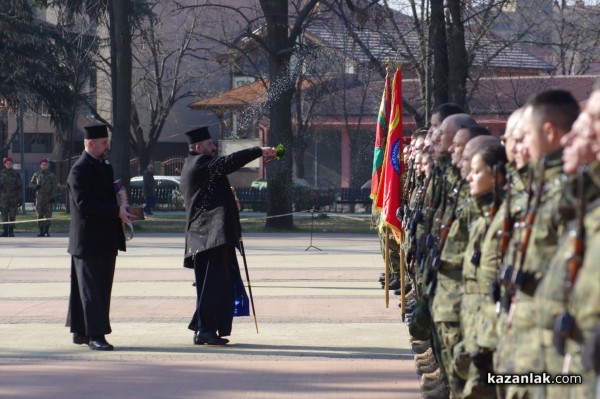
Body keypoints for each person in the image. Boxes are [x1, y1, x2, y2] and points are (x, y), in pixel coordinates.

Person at [180, 126, 275, 346]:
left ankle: (205, 328)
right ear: (198, 147)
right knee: (213, 285)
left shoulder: (194, 165)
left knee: (214, 285)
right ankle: (204, 329)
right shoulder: (200, 164)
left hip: (208, 237)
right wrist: (259, 150)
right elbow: (228, 162)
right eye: (210, 145)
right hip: (209, 237)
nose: (214, 148)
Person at [65, 123, 136, 351]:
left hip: (104, 239)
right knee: (92, 290)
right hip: (87, 241)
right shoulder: (79, 170)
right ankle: (96, 334)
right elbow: (84, 204)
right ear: (90, 143)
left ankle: (81, 332)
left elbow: (108, 199)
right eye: (104, 143)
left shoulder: (104, 167)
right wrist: (116, 211)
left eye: (108, 141)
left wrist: (122, 210)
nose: (108, 146)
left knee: (96, 288)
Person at [29, 158, 58, 237]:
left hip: (49, 197)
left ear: (48, 165)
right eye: (42, 165)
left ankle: (47, 231)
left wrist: (53, 197)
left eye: (45, 164)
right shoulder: (37, 174)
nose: (44, 166)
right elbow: (31, 184)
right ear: (40, 166)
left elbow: (55, 187)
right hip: (40, 198)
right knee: (40, 214)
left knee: (48, 215)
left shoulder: (52, 175)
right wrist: (35, 186)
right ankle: (41, 231)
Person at [0, 157, 22, 237]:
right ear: (4, 164)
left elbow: (19, 186)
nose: (8, 165)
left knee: (12, 215)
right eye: (7, 163)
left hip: (13, 198)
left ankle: (11, 231)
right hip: (3, 198)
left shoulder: (16, 174)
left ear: (12, 164)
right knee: (4, 215)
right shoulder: (1, 173)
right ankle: (5, 231)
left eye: (10, 163)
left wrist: (20, 198)